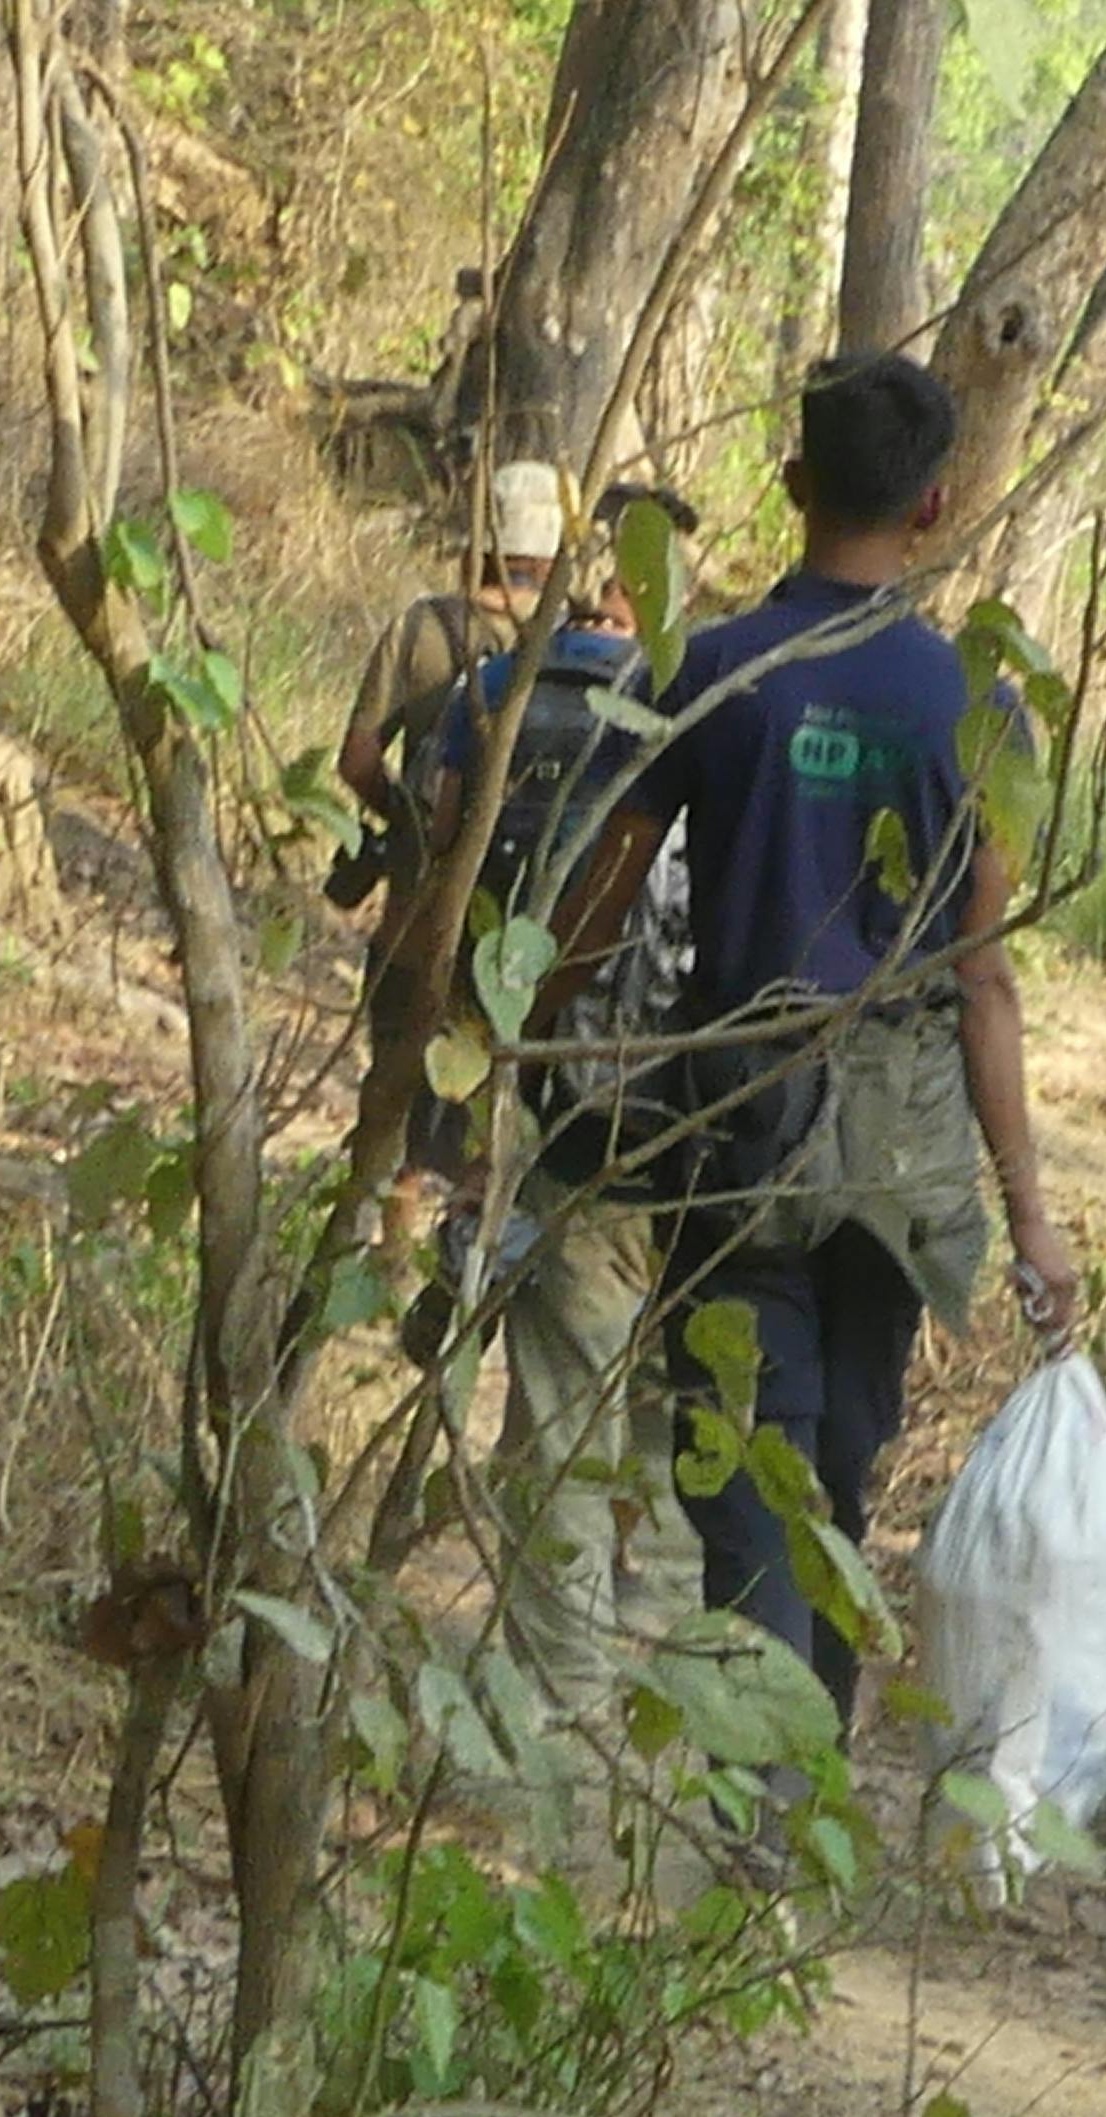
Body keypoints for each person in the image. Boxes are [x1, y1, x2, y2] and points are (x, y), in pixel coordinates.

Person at [555, 353, 1082, 1735]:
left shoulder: (717, 670)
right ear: (937, 505)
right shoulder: (978, 711)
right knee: (841, 1464)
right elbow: (984, 976)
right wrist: (1033, 1221)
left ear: (792, 486)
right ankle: (801, 1785)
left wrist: (543, 1048)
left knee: (744, 1468)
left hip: (732, 1125)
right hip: (897, 1146)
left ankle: (768, 1816)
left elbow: (606, 894)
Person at [416, 485, 708, 1715]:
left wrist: (490, 1056)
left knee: (554, 1421)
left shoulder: (501, 697)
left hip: (569, 1106)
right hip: (709, 1124)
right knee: (676, 1389)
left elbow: (446, 849)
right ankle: (668, 1617)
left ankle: (561, 1692)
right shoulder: (720, 716)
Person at [329, 458, 577, 918]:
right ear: (552, 557)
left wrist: (412, 824)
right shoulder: (569, 643)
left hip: (420, 898)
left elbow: (357, 763)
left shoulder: (420, 627)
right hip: (526, 904)